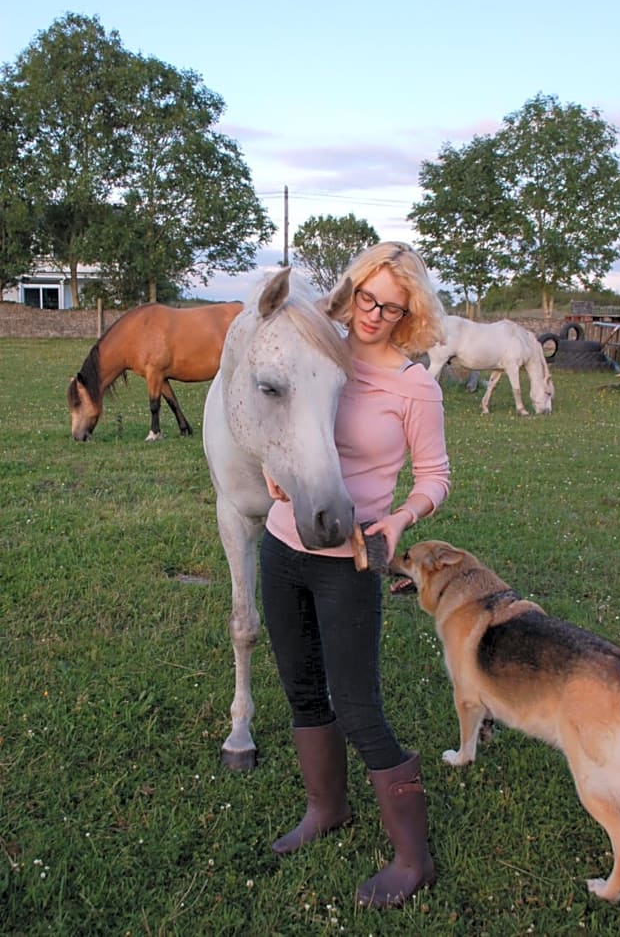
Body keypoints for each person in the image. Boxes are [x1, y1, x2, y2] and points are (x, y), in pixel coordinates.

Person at [259, 241, 451, 908]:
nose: (371, 315)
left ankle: (412, 858)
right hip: (280, 546)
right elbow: (276, 414)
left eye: (389, 306)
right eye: (365, 298)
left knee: (358, 708)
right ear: (351, 291)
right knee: (302, 691)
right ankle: (325, 809)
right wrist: (268, 463)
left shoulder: (412, 383)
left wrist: (401, 518)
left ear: (408, 311)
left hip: (351, 559)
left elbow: (435, 476)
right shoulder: (319, 348)